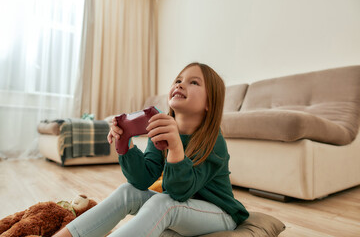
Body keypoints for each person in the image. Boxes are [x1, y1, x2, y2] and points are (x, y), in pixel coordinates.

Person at [54, 62, 249, 237]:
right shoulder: (161, 126)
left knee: (164, 203)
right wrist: (125, 144)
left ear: (209, 103)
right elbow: (142, 179)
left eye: (194, 82)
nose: (180, 84)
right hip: (182, 209)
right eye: (178, 80)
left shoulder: (213, 141)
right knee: (128, 191)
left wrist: (175, 148)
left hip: (219, 213)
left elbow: (178, 193)